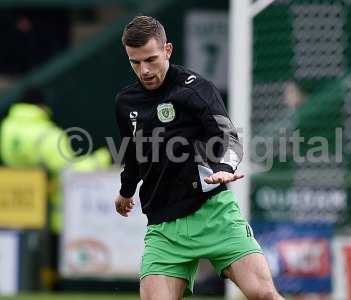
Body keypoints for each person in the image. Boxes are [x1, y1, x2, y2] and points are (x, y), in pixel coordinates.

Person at [114, 16, 284, 300]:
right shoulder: (126, 102)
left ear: (168, 50)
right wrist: (126, 191)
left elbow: (229, 137)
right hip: (164, 225)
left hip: (213, 212)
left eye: (151, 59)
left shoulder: (195, 89)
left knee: (264, 294)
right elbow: (133, 152)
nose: (144, 70)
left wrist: (224, 167)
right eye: (135, 62)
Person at [0, 86, 111, 288]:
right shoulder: (48, 134)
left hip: (14, 207)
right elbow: (71, 171)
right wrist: (102, 158)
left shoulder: (6, 129)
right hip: (49, 211)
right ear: (42, 106)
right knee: (48, 260)